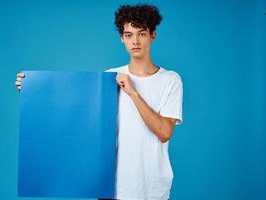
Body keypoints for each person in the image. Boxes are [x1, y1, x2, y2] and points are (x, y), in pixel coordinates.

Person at [15, 3, 183, 200]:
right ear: (122, 38)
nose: (135, 41)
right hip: (111, 188)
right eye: (129, 35)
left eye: (142, 33)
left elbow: (164, 132)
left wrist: (133, 93)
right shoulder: (109, 77)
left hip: (153, 189)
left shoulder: (170, 80)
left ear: (152, 35)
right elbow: (73, 114)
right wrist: (32, 91)